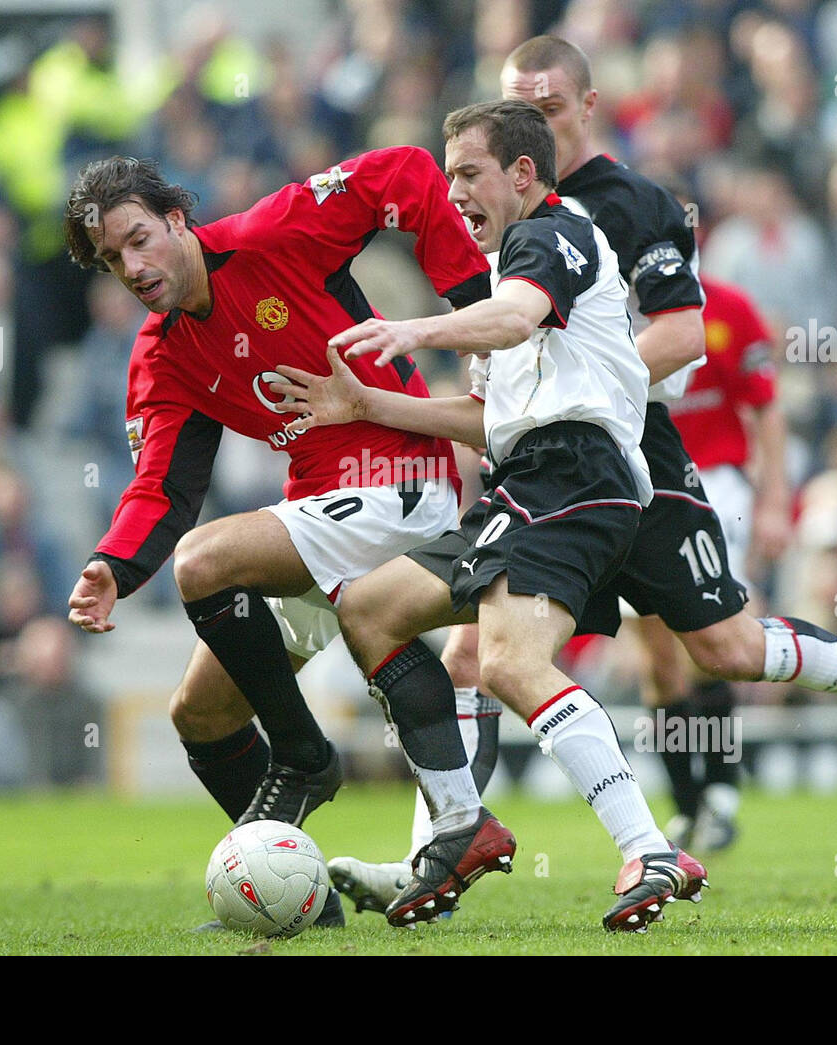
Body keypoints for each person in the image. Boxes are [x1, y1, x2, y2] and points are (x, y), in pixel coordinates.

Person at [297, 36, 837, 919]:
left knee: (711, 650)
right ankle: (447, 841)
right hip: (557, 463)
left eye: (541, 109)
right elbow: (502, 382)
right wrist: (385, 404)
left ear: (578, 112)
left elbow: (682, 334)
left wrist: (566, 356)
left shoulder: (608, 212)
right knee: (469, 650)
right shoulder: (503, 249)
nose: (461, 187)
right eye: (514, 104)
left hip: (623, 456)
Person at [277, 97, 711, 932]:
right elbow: (489, 421)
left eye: (468, 173)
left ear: (521, 173)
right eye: (446, 177)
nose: (453, 192)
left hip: (576, 474)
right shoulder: (515, 274)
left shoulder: (552, 233)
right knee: (369, 609)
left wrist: (413, 328)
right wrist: (365, 405)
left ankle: (648, 844)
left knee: (511, 663)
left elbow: (513, 319)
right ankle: (457, 826)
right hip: (533, 478)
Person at [61, 146, 491, 928]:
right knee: (200, 712)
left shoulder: (276, 233)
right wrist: (111, 564)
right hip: (322, 519)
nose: (130, 265)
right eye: (110, 257)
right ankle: (303, 902)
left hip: (398, 484)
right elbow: (164, 486)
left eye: (138, 239)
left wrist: (472, 307)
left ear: (176, 220)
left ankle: (304, 756)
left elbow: (402, 171)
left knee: (206, 562)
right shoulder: (161, 356)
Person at [652, 272, 790, 850]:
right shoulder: (603, 301)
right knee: (658, 660)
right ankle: (688, 805)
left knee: (712, 642)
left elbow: (766, 406)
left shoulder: (729, 308)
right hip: (646, 487)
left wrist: (775, 500)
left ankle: (723, 793)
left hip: (718, 487)